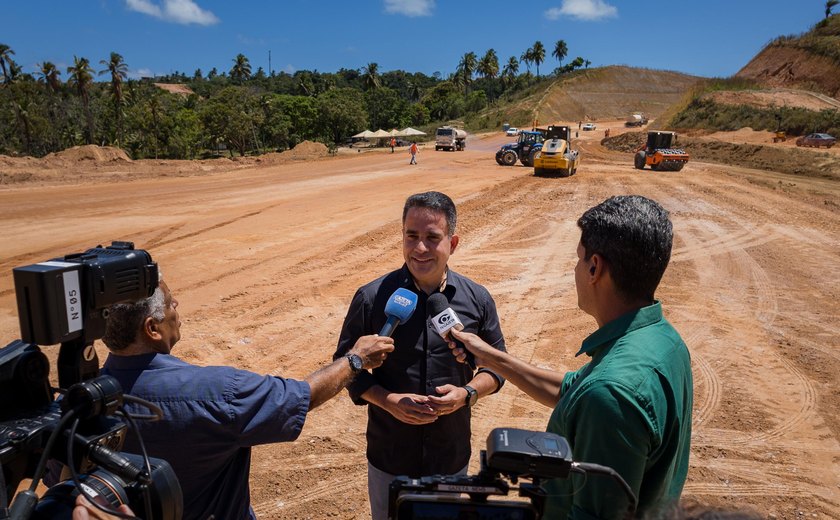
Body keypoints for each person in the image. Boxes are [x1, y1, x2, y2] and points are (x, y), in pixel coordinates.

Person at [449, 195, 693, 519]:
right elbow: (571, 390)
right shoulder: (663, 340)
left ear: (595, 267)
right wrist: (489, 357)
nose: (575, 269)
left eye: (578, 260)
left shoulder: (612, 393)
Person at [99, 274, 394, 520]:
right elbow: (303, 397)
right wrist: (355, 360)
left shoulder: (77, 408)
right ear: (152, 328)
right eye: (169, 302)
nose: (176, 306)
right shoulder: (217, 392)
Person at [333, 191, 507, 520]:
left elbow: (497, 368)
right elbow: (345, 369)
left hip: (450, 458)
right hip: (390, 458)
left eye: (432, 237)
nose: (420, 248)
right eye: (411, 236)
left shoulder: (478, 300)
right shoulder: (371, 299)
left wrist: (467, 394)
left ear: (452, 243)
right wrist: (387, 400)